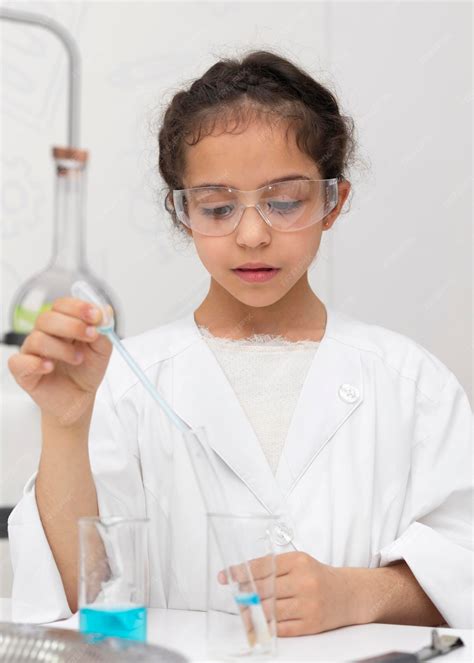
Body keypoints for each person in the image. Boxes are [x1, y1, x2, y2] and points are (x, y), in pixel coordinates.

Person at [7, 49, 473, 635]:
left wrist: (357, 594)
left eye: (284, 201)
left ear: (333, 202)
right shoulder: (124, 380)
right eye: (218, 206)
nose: (252, 235)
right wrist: (66, 427)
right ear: (182, 212)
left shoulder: (412, 384)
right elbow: (78, 597)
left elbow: (465, 570)